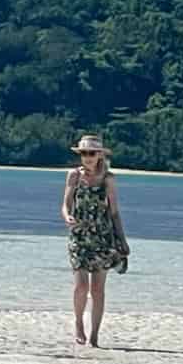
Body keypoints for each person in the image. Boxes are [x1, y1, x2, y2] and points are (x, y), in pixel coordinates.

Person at [61, 133, 130, 347]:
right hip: (79, 236)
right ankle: (79, 324)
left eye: (91, 153)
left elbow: (115, 212)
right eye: (84, 153)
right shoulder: (73, 175)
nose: (87, 157)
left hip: (103, 237)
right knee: (81, 286)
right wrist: (67, 217)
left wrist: (122, 240)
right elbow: (65, 204)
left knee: (98, 289)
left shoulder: (108, 179)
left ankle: (95, 335)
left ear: (99, 155)